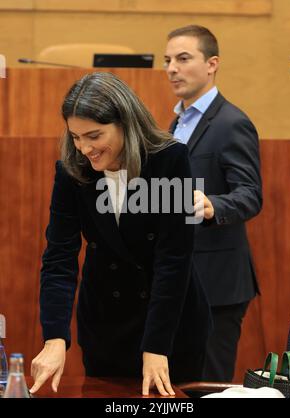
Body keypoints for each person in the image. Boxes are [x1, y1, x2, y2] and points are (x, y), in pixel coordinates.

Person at [29, 72, 211, 396]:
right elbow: (59, 259)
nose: (84, 148)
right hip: (106, 325)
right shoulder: (72, 170)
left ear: (125, 123)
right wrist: (55, 337)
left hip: (169, 328)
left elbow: (174, 259)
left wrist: (156, 346)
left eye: (94, 136)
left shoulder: (169, 160)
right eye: (75, 136)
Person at [164, 25, 263, 382]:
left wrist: (213, 206)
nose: (172, 68)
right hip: (179, 281)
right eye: (168, 60)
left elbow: (250, 194)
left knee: (205, 385)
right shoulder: (175, 124)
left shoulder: (231, 123)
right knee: (176, 386)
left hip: (217, 287)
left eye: (183, 58)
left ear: (212, 64)